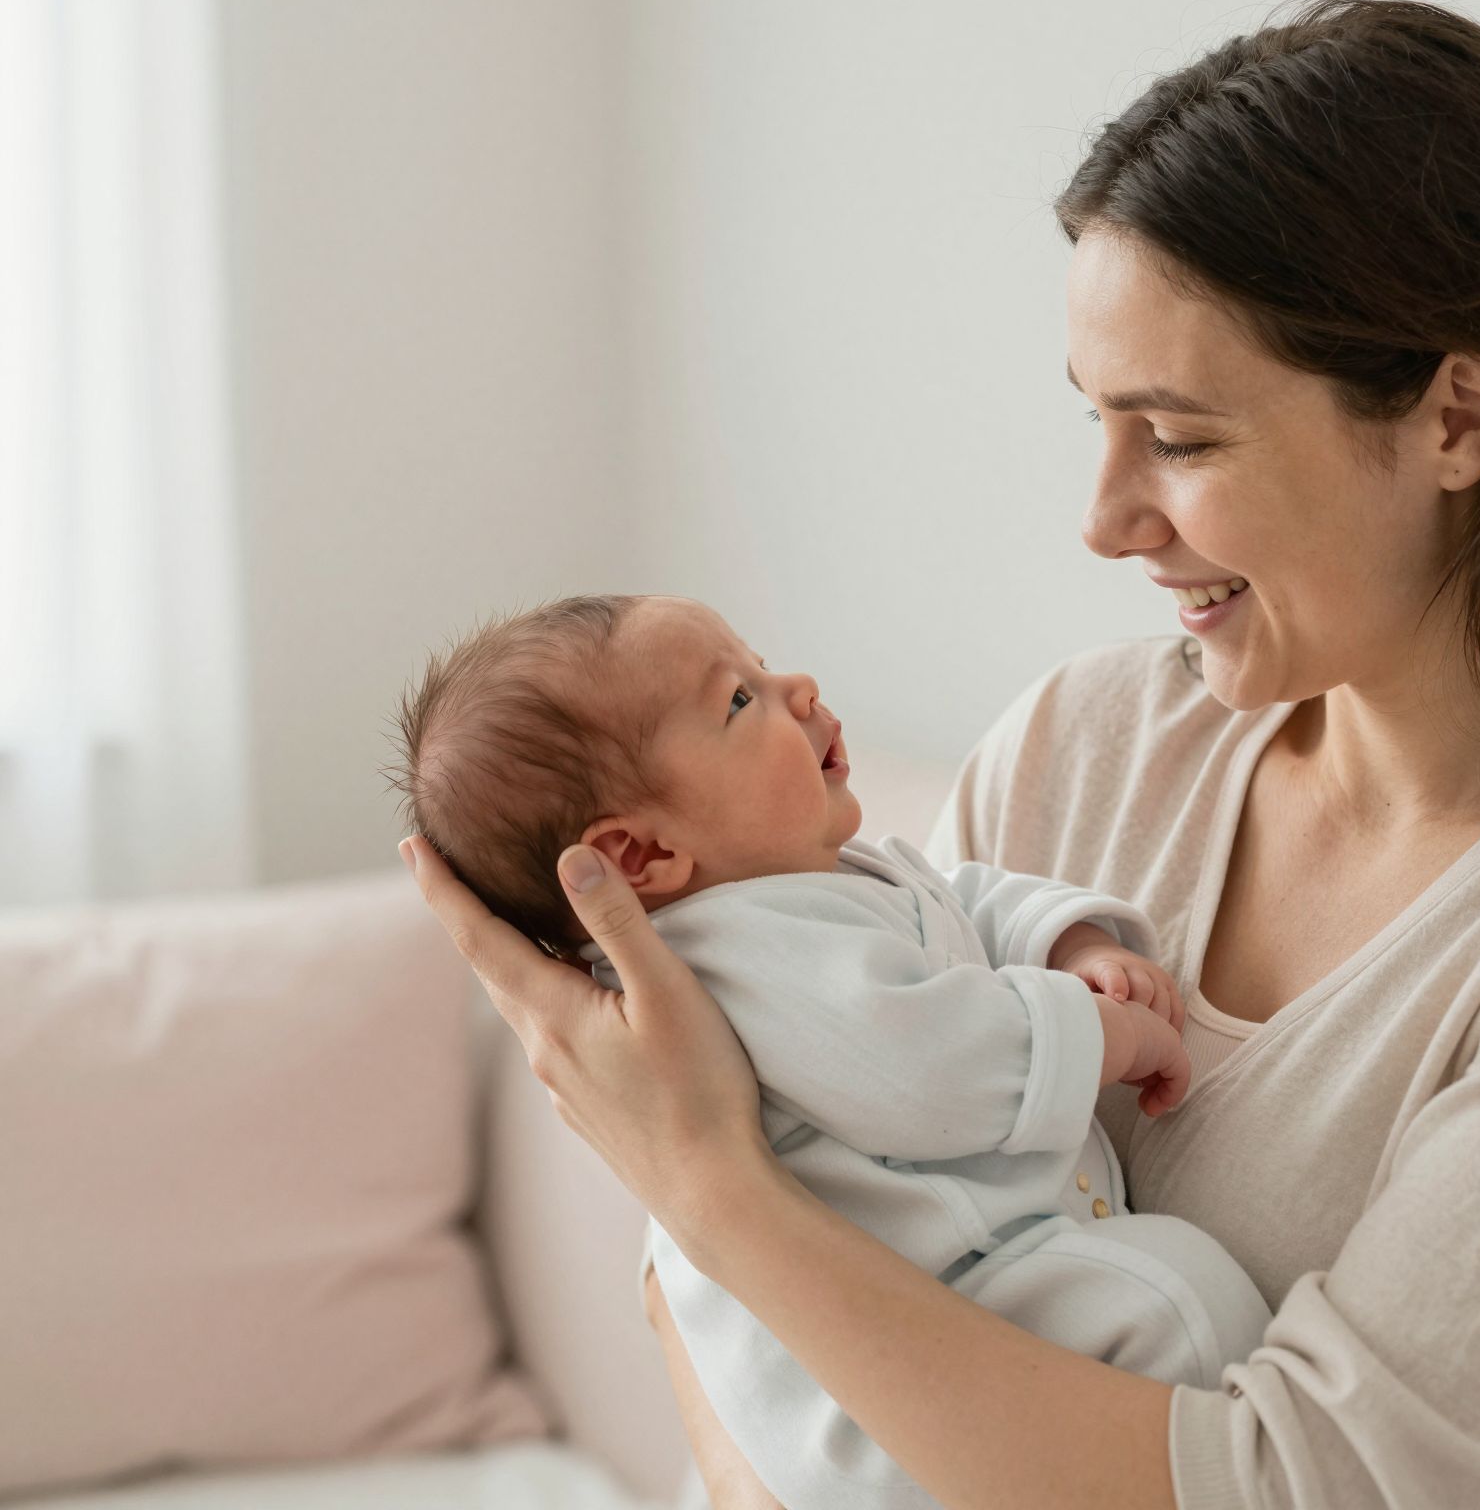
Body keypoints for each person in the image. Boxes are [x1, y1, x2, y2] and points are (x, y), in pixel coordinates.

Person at [402, 0, 1480, 1509]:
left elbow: (1304, 1494)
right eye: (1094, 422)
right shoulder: (1088, 747)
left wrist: (705, 1193)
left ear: (1458, 419)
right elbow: (785, 1279)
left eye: (1183, 437)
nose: (1104, 519)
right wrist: (714, 1215)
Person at [386, 592, 1271, 1508]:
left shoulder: (816, 884)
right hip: (915, 1348)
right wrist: (1102, 1031)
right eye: (739, 699)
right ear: (641, 856)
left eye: (762, 666)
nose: (796, 688)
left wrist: (1071, 944)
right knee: (1183, 1302)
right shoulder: (736, 958)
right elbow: (924, 1068)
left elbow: (959, 904)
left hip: (954, 1302)